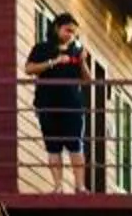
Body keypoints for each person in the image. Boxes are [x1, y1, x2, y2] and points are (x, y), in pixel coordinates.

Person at [26, 14, 93, 191]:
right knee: (53, 146)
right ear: (57, 28)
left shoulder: (77, 50)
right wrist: (53, 61)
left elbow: (87, 80)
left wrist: (83, 61)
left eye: (73, 32)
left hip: (72, 106)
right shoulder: (42, 48)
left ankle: (80, 186)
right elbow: (29, 68)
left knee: (75, 145)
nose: (71, 35)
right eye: (67, 30)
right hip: (47, 104)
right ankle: (58, 186)